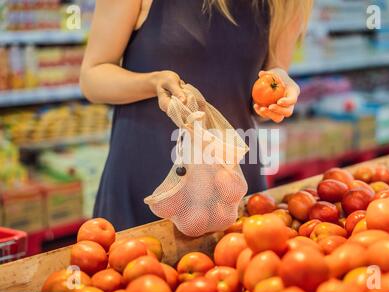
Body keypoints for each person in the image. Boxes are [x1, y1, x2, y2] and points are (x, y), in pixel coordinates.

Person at [80, 0, 314, 230]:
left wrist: (278, 94)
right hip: (149, 170)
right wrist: (152, 83)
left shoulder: (287, 4)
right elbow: (93, 77)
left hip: (232, 178)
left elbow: (266, 84)